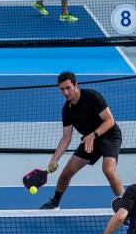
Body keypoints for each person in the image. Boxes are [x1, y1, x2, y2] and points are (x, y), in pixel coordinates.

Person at [40, 71, 124, 210]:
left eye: (68, 88)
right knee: (66, 173)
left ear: (76, 85)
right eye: (62, 89)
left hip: (109, 136)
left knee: (108, 170)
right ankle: (55, 202)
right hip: (90, 141)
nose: (65, 92)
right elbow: (66, 137)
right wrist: (54, 160)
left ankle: (126, 206)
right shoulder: (67, 110)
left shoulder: (92, 97)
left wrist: (92, 135)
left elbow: (110, 121)